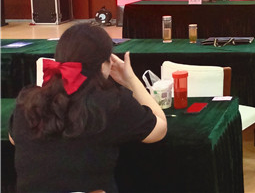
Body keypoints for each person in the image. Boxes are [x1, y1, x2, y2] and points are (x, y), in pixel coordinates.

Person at [9, 23, 167, 192]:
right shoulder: (113, 102)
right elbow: (159, 129)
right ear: (104, 65)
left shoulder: (28, 99)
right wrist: (131, 80)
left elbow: (13, 139)